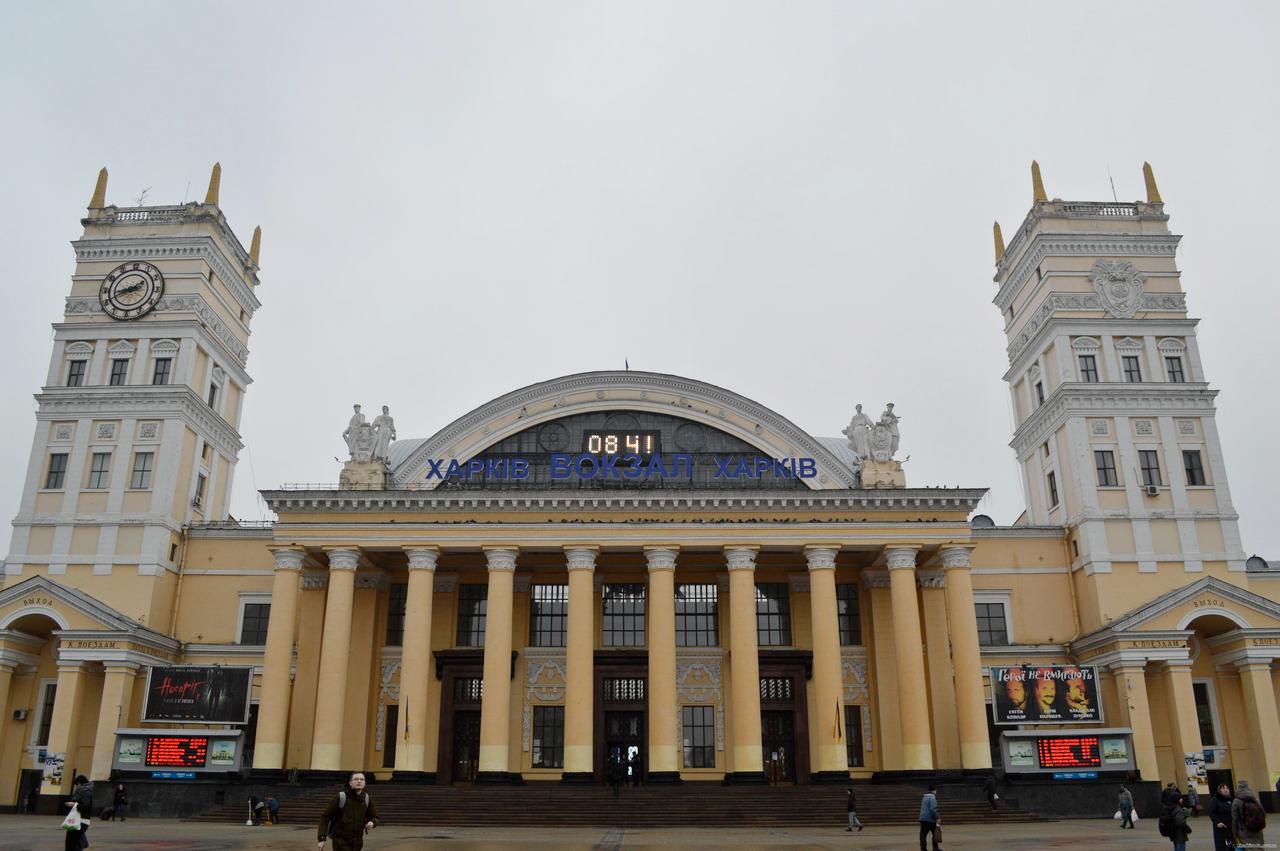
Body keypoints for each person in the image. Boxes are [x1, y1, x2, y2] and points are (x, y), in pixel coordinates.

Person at [317, 772, 379, 851]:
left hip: (357, 843)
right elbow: (325, 817)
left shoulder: (366, 798)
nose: (359, 781)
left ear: (364, 783)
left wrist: (372, 823)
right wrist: (321, 838)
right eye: (356, 779)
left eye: (362, 779)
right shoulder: (341, 797)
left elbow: (375, 817)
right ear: (350, 783)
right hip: (340, 842)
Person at [1231, 780, 1266, 848]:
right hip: (1257, 829)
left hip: (1244, 831)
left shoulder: (1236, 801)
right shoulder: (1255, 799)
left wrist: (1235, 834)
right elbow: (1263, 813)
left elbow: (1235, 819)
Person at [64, 774, 92, 851]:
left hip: (79, 821)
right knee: (75, 843)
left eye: (76, 785)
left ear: (79, 783)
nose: (76, 787)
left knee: (72, 844)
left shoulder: (84, 792)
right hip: (80, 821)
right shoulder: (87, 791)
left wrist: (74, 804)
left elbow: (85, 807)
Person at [1209, 783, 1233, 850]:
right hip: (1221, 828)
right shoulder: (1215, 800)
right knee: (1222, 846)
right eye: (1223, 788)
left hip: (1231, 827)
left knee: (1232, 846)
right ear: (1219, 791)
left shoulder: (1231, 799)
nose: (1225, 790)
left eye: (1227, 788)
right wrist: (1218, 822)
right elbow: (1212, 813)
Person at [918, 784, 940, 851]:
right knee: (935, 833)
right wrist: (937, 818)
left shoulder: (925, 797)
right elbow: (933, 809)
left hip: (922, 818)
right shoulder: (932, 798)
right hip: (930, 819)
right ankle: (935, 848)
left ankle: (923, 849)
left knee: (923, 835)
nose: (936, 792)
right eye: (936, 790)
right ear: (934, 790)